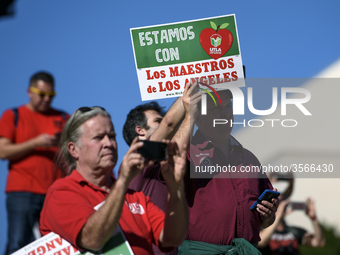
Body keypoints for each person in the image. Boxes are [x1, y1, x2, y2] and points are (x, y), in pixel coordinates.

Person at [39, 106, 188, 255]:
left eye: (111, 136)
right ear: (74, 149)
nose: (109, 144)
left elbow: (172, 239)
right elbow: (92, 239)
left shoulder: (136, 198)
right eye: (98, 138)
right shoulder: (62, 192)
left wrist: (176, 186)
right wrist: (122, 181)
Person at [177, 86, 278, 254]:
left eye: (228, 107)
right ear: (198, 118)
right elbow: (168, 165)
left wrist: (268, 216)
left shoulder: (249, 159)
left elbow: (264, 221)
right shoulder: (187, 154)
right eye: (216, 108)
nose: (225, 113)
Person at [122, 84, 199, 255]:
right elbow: (171, 123)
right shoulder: (135, 160)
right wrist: (195, 84)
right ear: (140, 131)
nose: (163, 122)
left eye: (162, 119)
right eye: (158, 121)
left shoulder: (165, 162)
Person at [0, 71, 69, 255]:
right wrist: (35, 142)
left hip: (55, 192)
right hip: (22, 191)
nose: (46, 99)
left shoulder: (63, 118)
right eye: (42, 95)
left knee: (57, 245)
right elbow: (2, 151)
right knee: (18, 244)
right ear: (29, 92)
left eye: (50, 95)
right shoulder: (13, 115)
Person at [258, 176, 326, 254]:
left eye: (283, 201)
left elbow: (319, 242)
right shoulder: (261, 229)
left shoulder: (293, 231)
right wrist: (278, 215)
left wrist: (313, 218)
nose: (281, 204)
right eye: (278, 201)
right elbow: (261, 242)